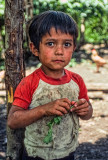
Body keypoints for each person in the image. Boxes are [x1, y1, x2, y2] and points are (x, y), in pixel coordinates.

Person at [7, 10, 93, 160]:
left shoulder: (76, 81)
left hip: (67, 152)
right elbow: (13, 120)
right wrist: (43, 109)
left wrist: (85, 109)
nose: (59, 51)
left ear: (73, 48)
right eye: (50, 43)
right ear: (34, 49)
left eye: (67, 44)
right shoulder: (30, 83)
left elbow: (88, 114)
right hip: (36, 154)